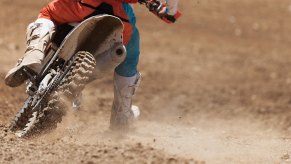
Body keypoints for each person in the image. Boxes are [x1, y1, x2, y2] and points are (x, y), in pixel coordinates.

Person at [4, 0, 180, 130]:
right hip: (118, 14)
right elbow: (169, 10)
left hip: (79, 5)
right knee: (127, 54)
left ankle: (34, 54)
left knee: (48, 14)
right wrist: (169, 9)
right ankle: (121, 117)